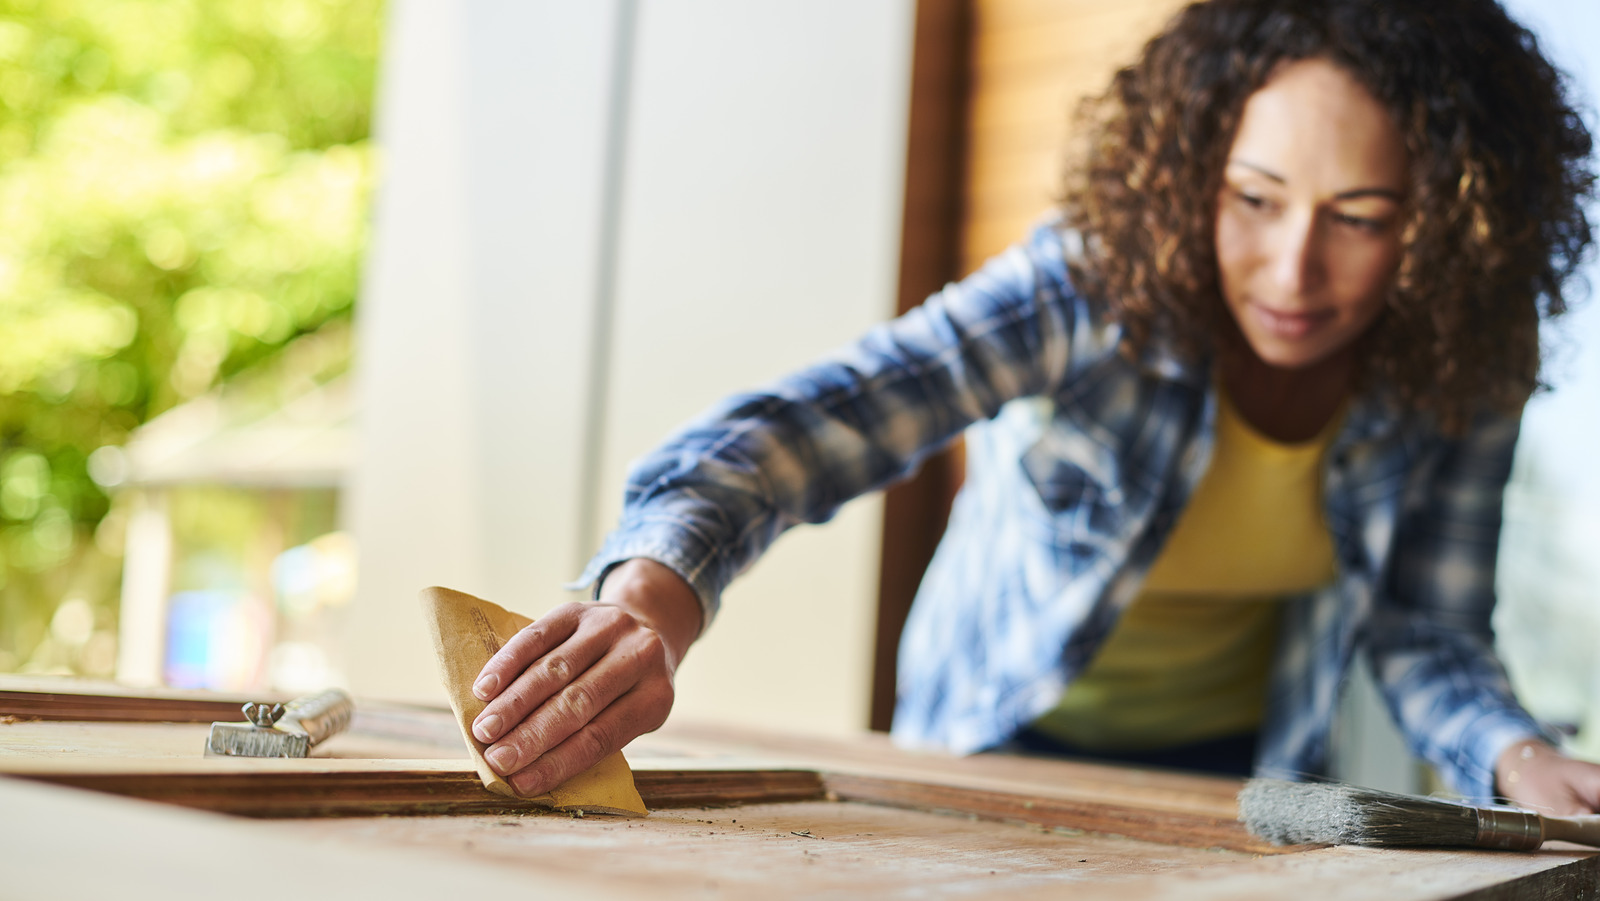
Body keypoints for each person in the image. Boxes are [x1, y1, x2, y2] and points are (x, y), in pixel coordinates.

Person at [465, 0, 1600, 814]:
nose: (1292, 270)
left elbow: (1423, 624)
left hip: (1239, 776)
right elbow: (799, 433)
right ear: (1195, 168)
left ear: (1448, 229)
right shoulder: (1091, 285)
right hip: (983, 755)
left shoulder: (1463, 357)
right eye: (1253, 200)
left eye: (1359, 217)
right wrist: (649, 602)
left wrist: (1512, 752)